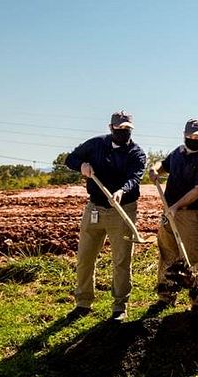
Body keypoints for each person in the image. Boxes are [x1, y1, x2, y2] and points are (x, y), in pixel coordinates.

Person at [64, 110, 146, 322]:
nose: (123, 133)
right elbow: (70, 158)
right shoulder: (95, 144)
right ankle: (83, 302)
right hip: (94, 208)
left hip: (122, 210)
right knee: (85, 257)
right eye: (119, 129)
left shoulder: (137, 153)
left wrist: (121, 191)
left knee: (121, 260)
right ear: (111, 128)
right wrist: (81, 166)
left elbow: (135, 177)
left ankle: (120, 306)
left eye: (127, 130)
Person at [148, 119, 198, 315]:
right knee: (167, 252)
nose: (193, 140)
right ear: (184, 135)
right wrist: (155, 170)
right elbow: (163, 164)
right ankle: (166, 295)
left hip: (191, 214)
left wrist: (177, 206)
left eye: (197, 137)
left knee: (193, 256)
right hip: (169, 211)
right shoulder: (179, 152)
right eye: (190, 136)